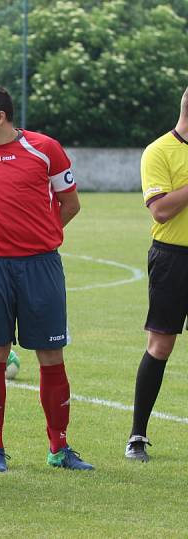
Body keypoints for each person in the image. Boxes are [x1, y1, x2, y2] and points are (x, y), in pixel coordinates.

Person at [0, 85, 93, 472]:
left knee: (51, 355)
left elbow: (71, 204)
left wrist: (43, 238)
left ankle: (59, 448)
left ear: (1, 117)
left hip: (42, 266)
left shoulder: (45, 149)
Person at [126, 85, 188, 462]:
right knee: (161, 345)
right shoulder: (159, 151)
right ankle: (137, 436)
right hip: (173, 259)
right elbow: (161, 209)